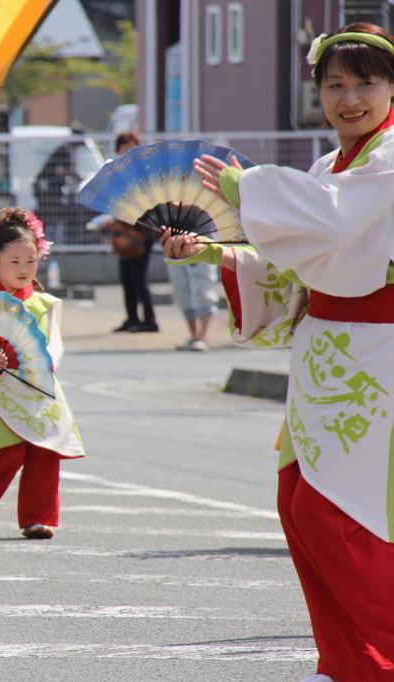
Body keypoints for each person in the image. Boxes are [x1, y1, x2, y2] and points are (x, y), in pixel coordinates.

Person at [162, 23, 394, 681]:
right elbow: (298, 260)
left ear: (392, 87)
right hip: (332, 357)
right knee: (299, 502)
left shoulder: (387, 161)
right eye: (335, 84)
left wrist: (249, 189)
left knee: (344, 516)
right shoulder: (332, 167)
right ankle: (350, 660)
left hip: (379, 357)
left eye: (366, 82)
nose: (350, 98)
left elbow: (339, 223)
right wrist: (217, 255)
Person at [0, 208, 85, 540]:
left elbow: (54, 345)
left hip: (39, 384)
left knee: (45, 447)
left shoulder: (44, 303)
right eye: (14, 262)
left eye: (30, 261)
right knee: (9, 449)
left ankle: (38, 517)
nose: (23, 270)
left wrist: (45, 361)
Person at [101, 132, 159, 333]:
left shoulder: (144, 174)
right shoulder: (119, 175)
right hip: (123, 231)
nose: (126, 152)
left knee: (140, 278)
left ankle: (150, 320)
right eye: (123, 148)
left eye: (131, 147)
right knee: (126, 277)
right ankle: (132, 318)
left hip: (142, 232)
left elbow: (151, 202)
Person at [167, 260, 218, 351]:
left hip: (202, 248)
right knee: (182, 293)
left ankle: (202, 337)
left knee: (203, 291)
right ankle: (194, 336)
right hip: (174, 251)